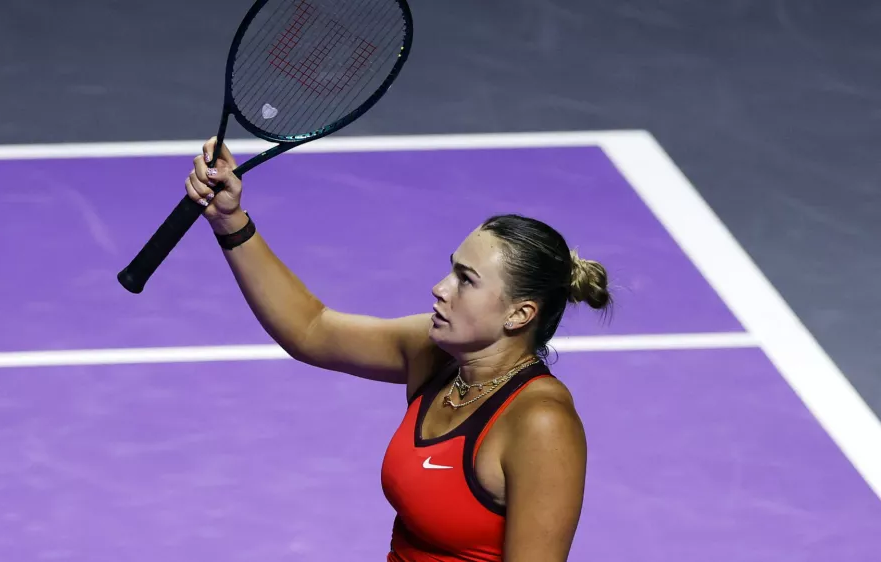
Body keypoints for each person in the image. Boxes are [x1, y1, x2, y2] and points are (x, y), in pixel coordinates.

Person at [185, 139, 613, 562]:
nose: (440, 288)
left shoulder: (541, 423)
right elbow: (311, 329)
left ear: (519, 314)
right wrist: (230, 222)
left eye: (466, 280)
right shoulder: (435, 354)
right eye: (451, 269)